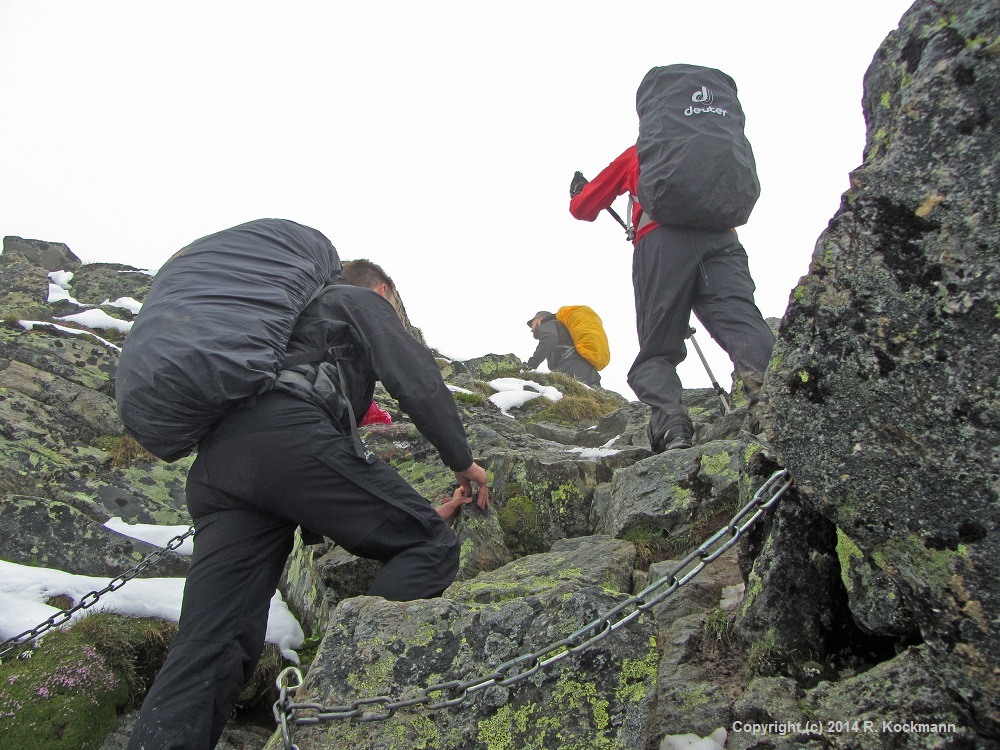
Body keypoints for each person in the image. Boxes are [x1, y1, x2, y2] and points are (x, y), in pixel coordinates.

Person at [128, 258, 489, 750]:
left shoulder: (276, 329)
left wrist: (416, 509)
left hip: (219, 469)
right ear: (382, 290)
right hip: (286, 441)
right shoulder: (355, 299)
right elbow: (415, 377)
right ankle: (341, 695)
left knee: (212, 644)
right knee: (431, 545)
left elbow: (322, 483)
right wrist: (461, 461)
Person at [569, 145, 774, 452]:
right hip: (722, 238)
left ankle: (671, 424)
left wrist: (578, 194)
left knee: (658, 345)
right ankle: (775, 402)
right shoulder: (718, 142)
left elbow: (583, 208)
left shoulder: (641, 152)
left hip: (661, 242)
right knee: (741, 321)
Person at [524, 310, 601, 387]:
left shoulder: (547, 324)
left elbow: (550, 339)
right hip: (587, 370)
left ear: (539, 319)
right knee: (596, 397)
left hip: (572, 368)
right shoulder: (560, 327)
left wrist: (531, 365)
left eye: (532, 324)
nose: (531, 329)